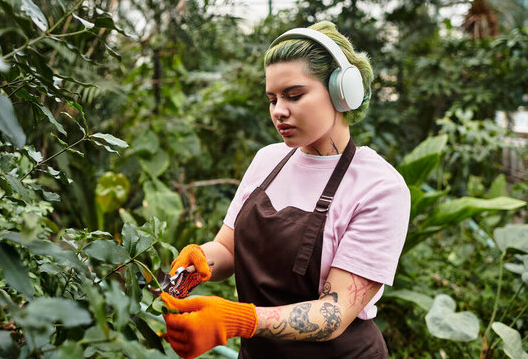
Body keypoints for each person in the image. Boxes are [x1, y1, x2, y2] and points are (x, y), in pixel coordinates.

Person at [160, 21, 411, 359]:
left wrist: (238, 319)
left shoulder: (379, 187)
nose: (279, 110)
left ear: (342, 92)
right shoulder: (268, 161)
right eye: (273, 98)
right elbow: (228, 249)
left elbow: (332, 315)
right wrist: (196, 265)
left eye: (294, 95)